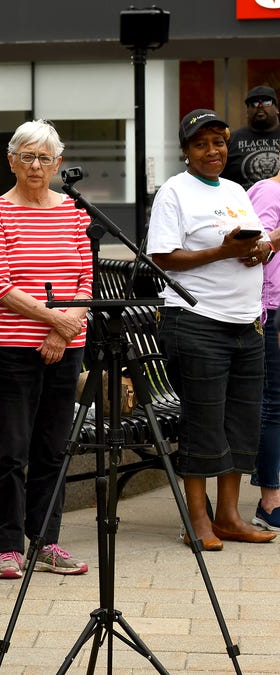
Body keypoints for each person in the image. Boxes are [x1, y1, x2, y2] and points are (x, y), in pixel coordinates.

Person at [147, 108, 277, 549]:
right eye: (201, 144)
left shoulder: (237, 190)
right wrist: (222, 252)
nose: (212, 151)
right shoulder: (174, 192)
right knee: (203, 421)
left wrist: (258, 252)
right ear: (186, 151)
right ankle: (196, 520)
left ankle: (229, 516)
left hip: (246, 322)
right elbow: (162, 258)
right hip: (197, 321)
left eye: (218, 142)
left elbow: (247, 245)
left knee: (242, 420)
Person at [0, 120, 93, 581]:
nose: (36, 166)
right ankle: (8, 546)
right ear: (11, 161)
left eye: (45, 158)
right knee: (13, 451)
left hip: (68, 345)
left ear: (58, 164)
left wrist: (64, 331)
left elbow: (87, 279)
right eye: (27, 156)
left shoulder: (74, 212)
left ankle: (46, 542)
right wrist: (54, 320)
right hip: (13, 349)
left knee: (53, 448)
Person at [249, 168, 280, 531]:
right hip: (273, 309)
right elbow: (255, 251)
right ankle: (270, 501)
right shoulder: (266, 192)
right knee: (274, 402)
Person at [223, 85, 280, 190]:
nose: (260, 106)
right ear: (247, 111)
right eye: (254, 103)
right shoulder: (231, 140)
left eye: (267, 102)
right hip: (242, 204)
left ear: (277, 108)